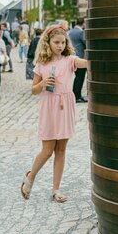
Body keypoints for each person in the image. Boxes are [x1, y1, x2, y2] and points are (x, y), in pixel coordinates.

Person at [19, 25, 88, 203]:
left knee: (61, 150)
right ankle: (30, 177)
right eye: (56, 42)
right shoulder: (42, 64)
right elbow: (33, 90)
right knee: (47, 150)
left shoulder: (70, 59)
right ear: (48, 43)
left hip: (66, 106)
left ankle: (56, 189)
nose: (60, 45)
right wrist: (42, 84)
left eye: (63, 42)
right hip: (49, 107)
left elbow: (85, 63)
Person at [68, 18, 87, 103]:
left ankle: (76, 95)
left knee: (77, 77)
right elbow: (86, 43)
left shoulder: (71, 32)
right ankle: (77, 96)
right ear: (83, 23)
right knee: (80, 77)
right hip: (80, 57)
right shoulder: (80, 32)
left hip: (72, 56)